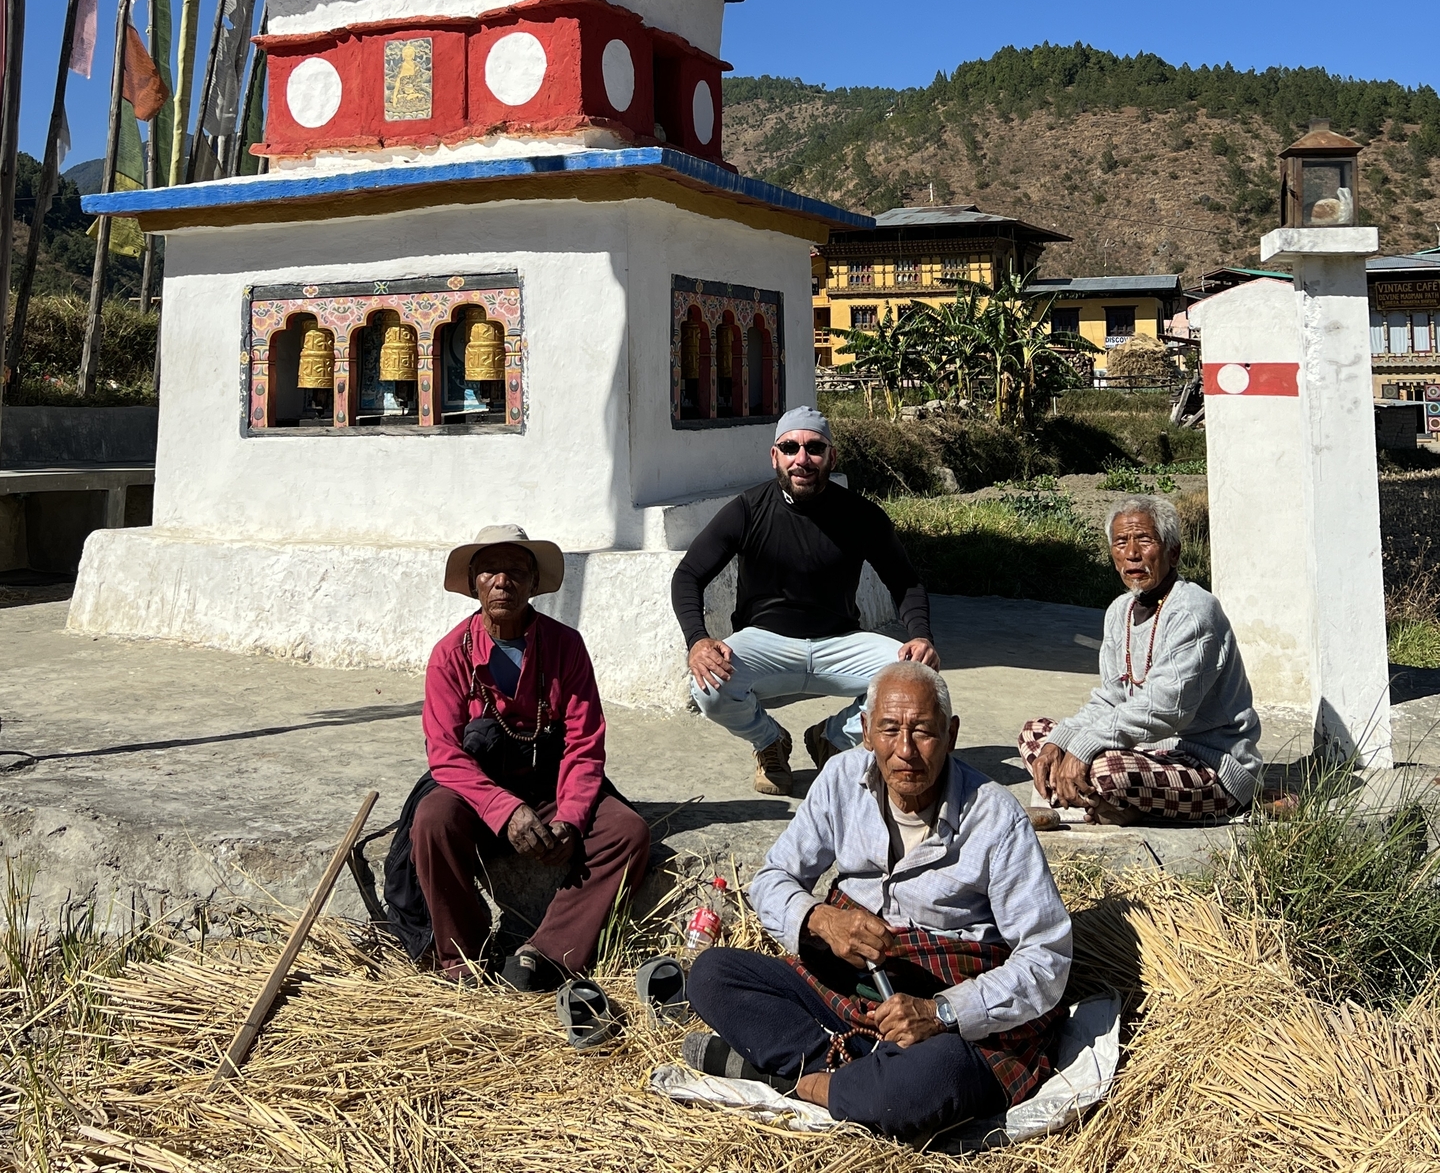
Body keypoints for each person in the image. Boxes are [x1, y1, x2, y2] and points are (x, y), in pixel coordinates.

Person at [683, 661, 1072, 1143]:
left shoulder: (995, 818)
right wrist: (820, 918)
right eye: (889, 730)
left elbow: (1046, 957)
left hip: (943, 1012)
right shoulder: (841, 779)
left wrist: (942, 1013)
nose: (905, 750)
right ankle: (858, 1078)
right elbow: (772, 879)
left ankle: (801, 1081)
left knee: (928, 1081)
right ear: (866, 731)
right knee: (712, 975)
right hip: (849, 988)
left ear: (951, 734)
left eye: (923, 732)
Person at [388, 527, 650, 987]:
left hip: (550, 785)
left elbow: (584, 743)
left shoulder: (565, 646)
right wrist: (504, 810)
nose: (502, 582)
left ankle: (544, 954)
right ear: (474, 584)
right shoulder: (450, 654)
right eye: (490, 571)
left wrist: (570, 818)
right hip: (477, 792)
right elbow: (445, 755)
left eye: (515, 571)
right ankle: (464, 959)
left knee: (627, 832)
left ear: (533, 583)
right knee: (432, 820)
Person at [671, 406, 939, 795]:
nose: (802, 458)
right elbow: (688, 575)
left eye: (814, 448)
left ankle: (833, 738)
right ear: (774, 456)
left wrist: (921, 636)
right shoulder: (747, 510)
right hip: (765, 643)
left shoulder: (861, 515)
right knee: (709, 686)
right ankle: (769, 741)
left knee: (919, 678)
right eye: (790, 447)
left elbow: (905, 581)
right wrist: (697, 640)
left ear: (832, 456)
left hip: (839, 642)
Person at [1018, 494, 1262, 825]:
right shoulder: (1120, 611)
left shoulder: (1194, 612)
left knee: (1106, 769)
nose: (1132, 553)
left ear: (1173, 552)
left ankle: (1093, 800)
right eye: (1121, 543)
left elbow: (1165, 709)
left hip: (1210, 765)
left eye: (1144, 541)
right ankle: (1105, 803)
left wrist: (1085, 746)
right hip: (1143, 752)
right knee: (1037, 734)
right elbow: (1110, 698)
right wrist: (1061, 744)